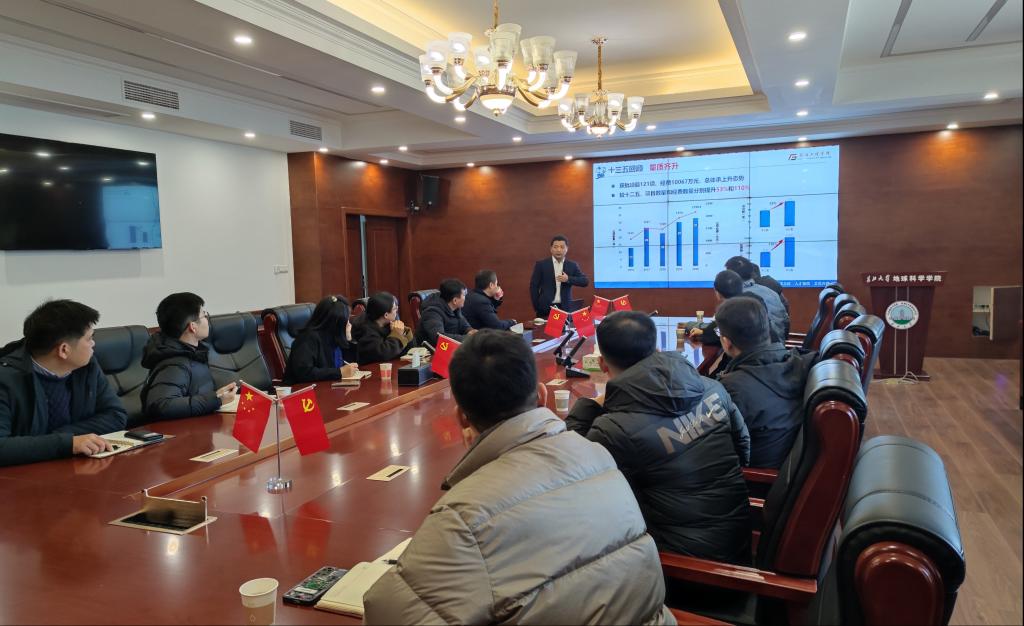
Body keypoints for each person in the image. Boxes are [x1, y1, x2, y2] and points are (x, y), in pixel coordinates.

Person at [363, 330, 673, 624]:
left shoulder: (463, 517)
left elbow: (386, 615)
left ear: (461, 418)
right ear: (542, 395)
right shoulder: (597, 454)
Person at [565, 311, 752, 564]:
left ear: (602, 364)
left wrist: (594, 402)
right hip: (739, 540)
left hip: (681, 566)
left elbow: (573, 476)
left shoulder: (614, 429)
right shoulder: (712, 388)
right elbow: (744, 450)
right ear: (657, 349)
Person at [0, 299, 127, 466]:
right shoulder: (6, 379)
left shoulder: (87, 366)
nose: (93, 344)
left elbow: (116, 415)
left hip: (74, 465)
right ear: (64, 350)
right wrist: (68, 443)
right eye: (89, 338)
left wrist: (64, 438)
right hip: (23, 474)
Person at [715, 297, 817, 469]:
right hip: (782, 466)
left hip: (754, 478)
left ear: (726, 342)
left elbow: (711, 447)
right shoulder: (797, 361)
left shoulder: (734, 388)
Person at [140, 293, 237, 421]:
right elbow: (161, 405)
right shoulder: (174, 364)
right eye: (204, 315)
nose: (207, 319)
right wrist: (215, 400)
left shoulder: (193, 353)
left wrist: (218, 396)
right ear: (193, 327)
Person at [282, 296, 360, 384]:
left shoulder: (333, 338)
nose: (349, 324)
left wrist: (349, 340)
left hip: (328, 387)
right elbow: (304, 373)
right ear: (335, 323)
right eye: (346, 321)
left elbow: (340, 365)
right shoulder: (308, 338)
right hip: (301, 390)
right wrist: (339, 372)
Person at [690, 270, 780, 347]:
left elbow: (720, 333)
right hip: (774, 349)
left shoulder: (731, 309)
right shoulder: (754, 299)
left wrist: (704, 334)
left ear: (717, 292)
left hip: (755, 356)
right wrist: (704, 333)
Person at [725, 256, 790, 339]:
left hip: (756, 345)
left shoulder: (739, 297)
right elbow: (786, 323)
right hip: (779, 344)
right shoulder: (771, 292)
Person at [529, 234, 589, 318]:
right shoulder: (541, 265)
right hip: (545, 308)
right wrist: (537, 306)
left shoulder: (572, 265)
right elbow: (533, 286)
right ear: (551, 249)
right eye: (556, 247)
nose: (558, 250)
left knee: (565, 327)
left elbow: (585, 281)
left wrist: (568, 279)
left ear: (566, 249)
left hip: (564, 308)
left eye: (562, 247)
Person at [351, 292, 413, 365]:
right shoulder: (365, 331)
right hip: (371, 369)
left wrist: (405, 332)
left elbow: (409, 349)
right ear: (386, 315)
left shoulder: (387, 324)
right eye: (394, 309)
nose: (397, 310)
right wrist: (397, 335)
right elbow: (383, 354)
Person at [414, 278, 476, 346]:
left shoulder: (455, 308)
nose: (465, 297)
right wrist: (468, 338)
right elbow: (439, 338)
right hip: (429, 350)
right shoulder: (432, 312)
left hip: (449, 347)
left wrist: (470, 331)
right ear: (455, 300)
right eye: (464, 295)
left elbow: (463, 325)